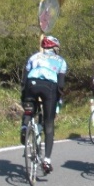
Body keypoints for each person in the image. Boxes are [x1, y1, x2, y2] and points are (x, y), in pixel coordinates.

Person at [20, 35, 67, 175]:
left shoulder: (34, 57)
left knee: (29, 108)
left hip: (31, 83)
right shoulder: (61, 61)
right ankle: (46, 160)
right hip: (49, 87)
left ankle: (24, 126)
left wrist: (24, 96)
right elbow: (61, 84)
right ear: (55, 47)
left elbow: (24, 77)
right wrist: (59, 99)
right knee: (49, 124)